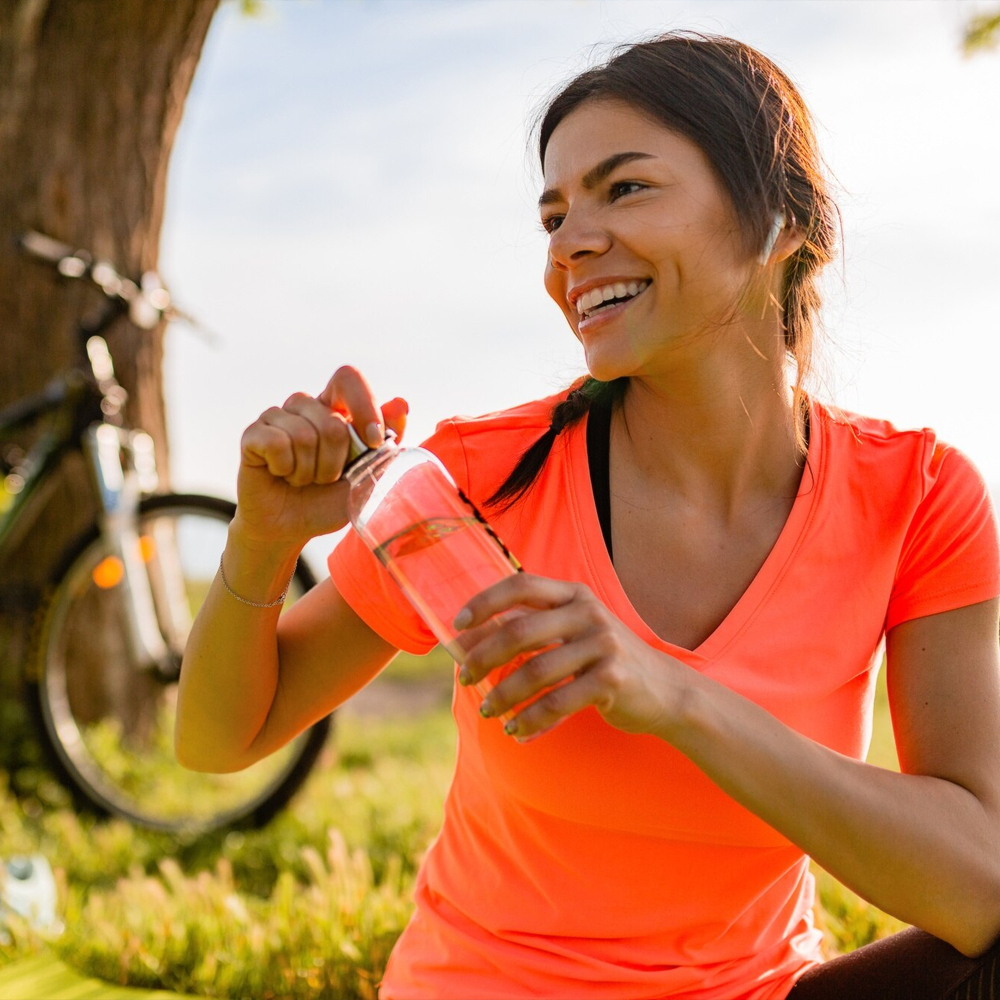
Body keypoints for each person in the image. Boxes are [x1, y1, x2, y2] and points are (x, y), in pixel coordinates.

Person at [175, 30, 1000, 1000]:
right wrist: (262, 538)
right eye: (554, 214)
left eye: (624, 189)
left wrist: (677, 698)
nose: (569, 243)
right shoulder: (483, 476)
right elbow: (220, 738)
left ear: (781, 222)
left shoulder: (917, 495)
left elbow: (977, 890)